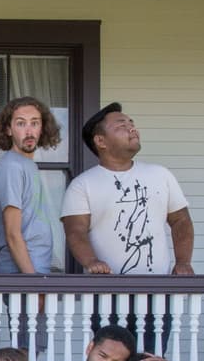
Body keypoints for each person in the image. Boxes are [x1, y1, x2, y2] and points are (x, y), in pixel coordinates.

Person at [62, 103, 195, 277]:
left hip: (158, 292)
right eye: (122, 126)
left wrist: (183, 262)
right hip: (106, 293)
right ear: (100, 141)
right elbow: (75, 231)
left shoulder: (161, 175)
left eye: (131, 123)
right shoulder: (82, 185)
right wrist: (91, 261)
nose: (132, 129)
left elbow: (181, 221)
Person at [0, 96, 62, 276]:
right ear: (8, 129)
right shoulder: (11, 168)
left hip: (35, 269)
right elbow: (13, 234)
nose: (29, 131)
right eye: (21, 123)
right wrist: (34, 284)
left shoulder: (27, 165)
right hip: (22, 274)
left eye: (34, 123)